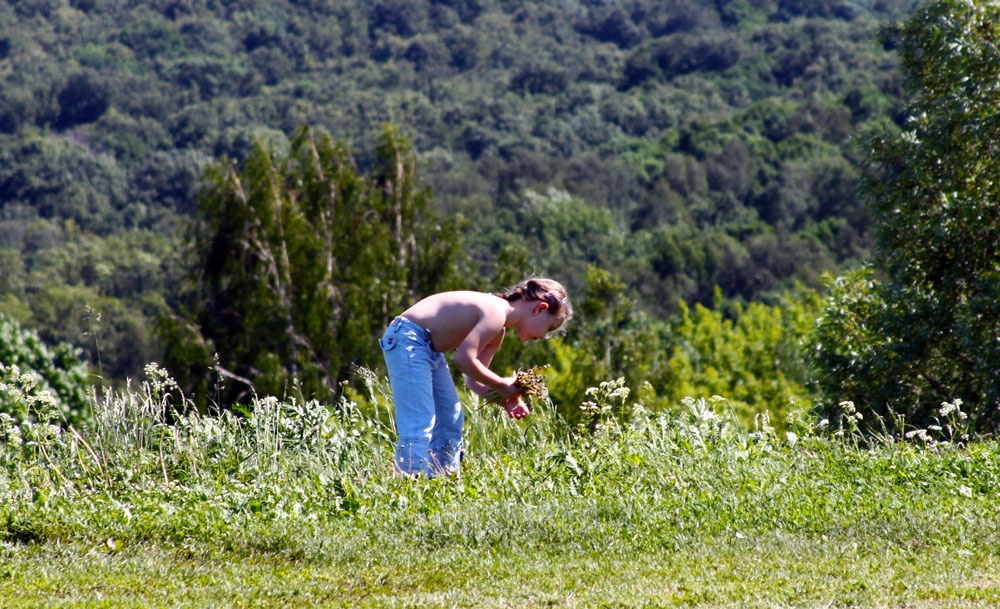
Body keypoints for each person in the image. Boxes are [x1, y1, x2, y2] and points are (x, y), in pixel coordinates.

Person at [379, 277, 572, 476]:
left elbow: (472, 380)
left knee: (450, 419)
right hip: (408, 338)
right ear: (540, 309)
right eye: (549, 328)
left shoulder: (498, 331)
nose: (544, 336)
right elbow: (463, 360)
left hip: (428, 348)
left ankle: (442, 483)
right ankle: (409, 487)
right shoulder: (496, 312)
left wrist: (506, 397)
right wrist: (500, 384)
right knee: (420, 421)